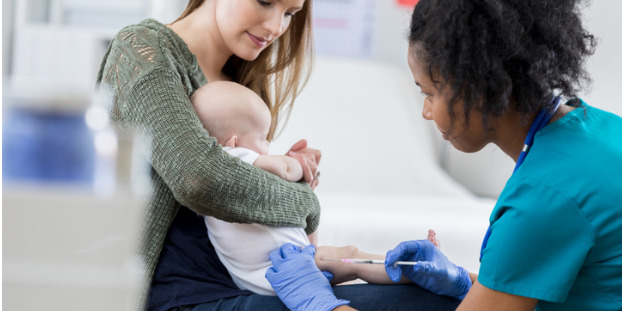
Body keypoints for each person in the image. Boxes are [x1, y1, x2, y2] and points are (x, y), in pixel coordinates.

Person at [96, 0, 461, 310]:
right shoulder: (142, 49)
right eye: (265, 1)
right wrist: (302, 197)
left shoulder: (238, 76)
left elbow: (239, 195)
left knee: (429, 291)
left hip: (256, 285)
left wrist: (284, 168)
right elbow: (200, 179)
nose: (275, 26)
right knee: (429, 303)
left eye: (290, 12)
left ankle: (491, 281)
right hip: (189, 299)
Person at [265, 0, 622, 310]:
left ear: (475, 87)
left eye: (429, 92)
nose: (426, 112)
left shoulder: (542, 201)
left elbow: (540, 227)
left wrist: (318, 302)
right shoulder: (599, 128)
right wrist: (462, 281)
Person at [192, 81, 442, 295]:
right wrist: (300, 165)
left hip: (278, 268)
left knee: (344, 260)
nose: (268, 146)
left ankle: (414, 268)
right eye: (262, 138)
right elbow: (286, 169)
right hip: (281, 271)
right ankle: (415, 268)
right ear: (234, 141)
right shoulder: (231, 158)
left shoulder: (220, 173)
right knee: (351, 258)